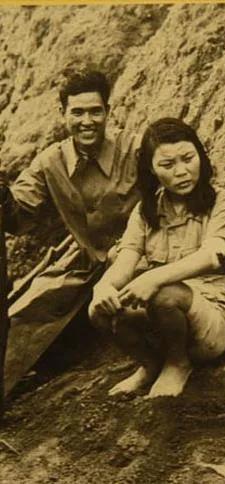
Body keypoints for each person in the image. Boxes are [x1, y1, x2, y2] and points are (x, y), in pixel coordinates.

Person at [0, 67, 140, 394]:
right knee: (21, 320)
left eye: (95, 111)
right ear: (63, 114)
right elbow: (18, 218)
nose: (87, 121)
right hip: (83, 263)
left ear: (108, 111)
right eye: (77, 113)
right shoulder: (51, 161)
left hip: (137, 258)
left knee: (133, 313)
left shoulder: (135, 149)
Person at [88, 118, 225, 398]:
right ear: (152, 170)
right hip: (160, 321)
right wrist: (103, 288)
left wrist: (154, 277)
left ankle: (177, 364)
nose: (182, 171)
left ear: (201, 156)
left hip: (210, 322)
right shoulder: (146, 211)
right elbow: (125, 262)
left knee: (165, 294)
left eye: (188, 158)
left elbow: (213, 255)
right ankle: (149, 364)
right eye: (168, 165)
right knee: (101, 309)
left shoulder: (221, 201)